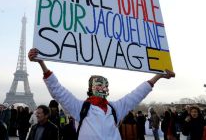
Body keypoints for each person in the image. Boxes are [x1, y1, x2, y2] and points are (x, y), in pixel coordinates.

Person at [28, 48, 175, 140]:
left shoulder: (115, 108)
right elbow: (58, 90)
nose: (102, 88)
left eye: (104, 86)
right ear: (90, 88)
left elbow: (137, 94)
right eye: (98, 85)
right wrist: (42, 63)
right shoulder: (80, 107)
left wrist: (158, 76)